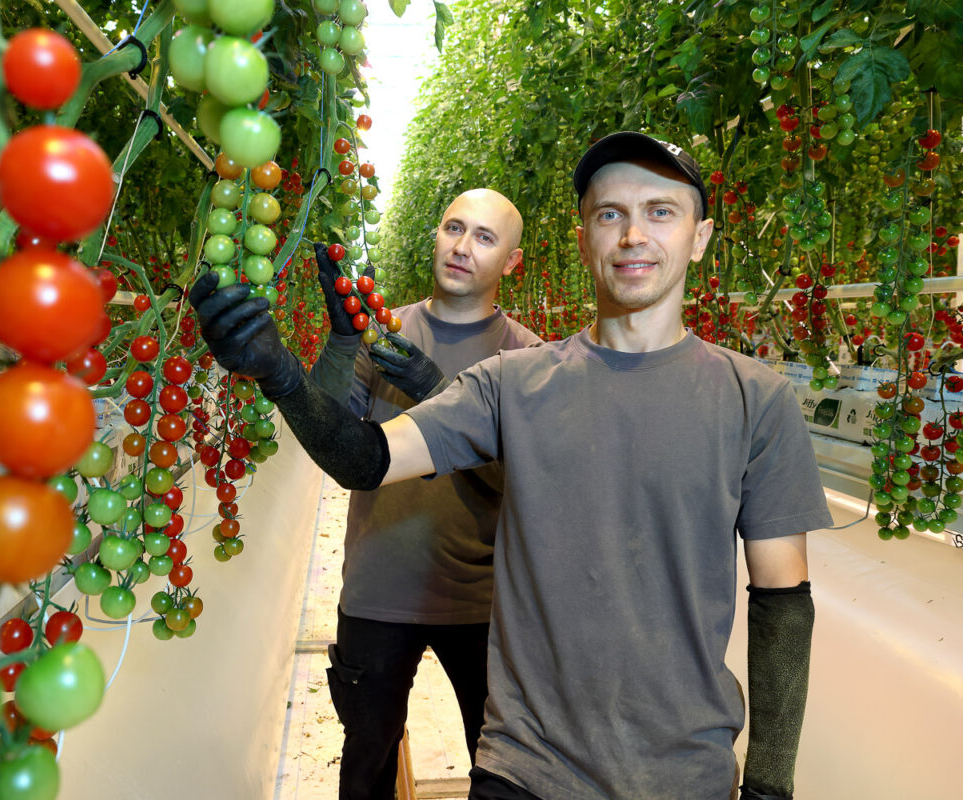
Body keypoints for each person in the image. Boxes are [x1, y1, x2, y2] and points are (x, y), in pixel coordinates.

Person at [192, 132, 831, 800]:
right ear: (583, 238)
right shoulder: (514, 382)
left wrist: (769, 784)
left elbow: (783, 604)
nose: (633, 235)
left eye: (661, 212)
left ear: (700, 238)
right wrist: (282, 375)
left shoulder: (756, 400)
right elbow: (367, 459)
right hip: (523, 770)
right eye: (610, 213)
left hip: (686, 775)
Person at [306, 189, 542, 800]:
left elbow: (532, 485)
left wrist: (437, 393)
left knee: (502, 770)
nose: (462, 247)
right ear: (435, 235)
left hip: (485, 603)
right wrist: (341, 342)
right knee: (367, 765)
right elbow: (328, 442)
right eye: (453, 228)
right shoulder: (383, 334)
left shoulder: (530, 359)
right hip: (377, 593)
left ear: (512, 262)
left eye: (484, 237)